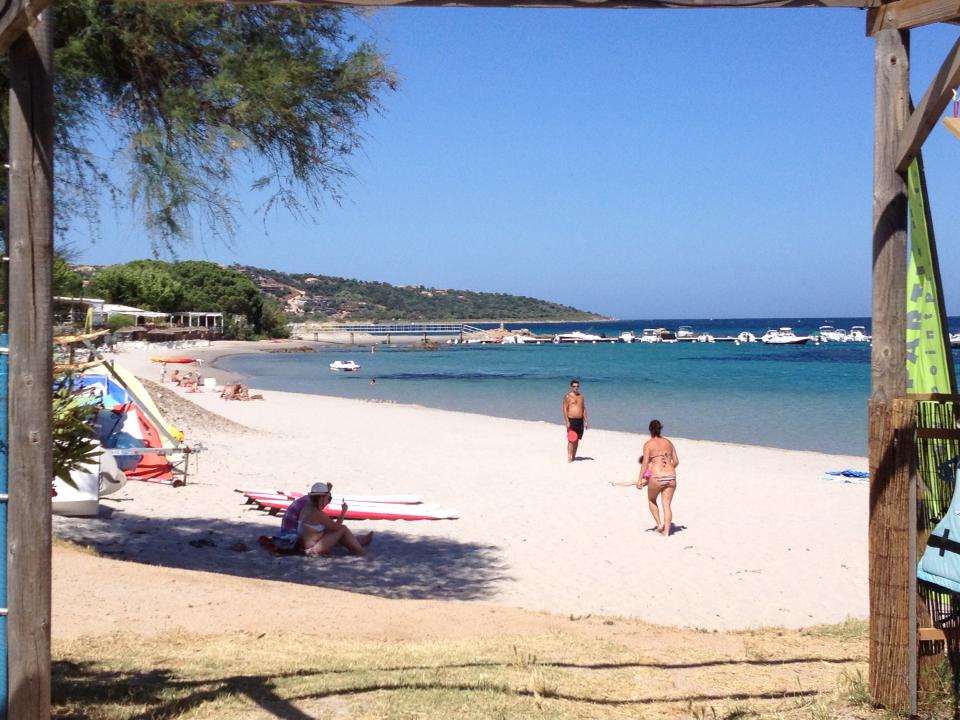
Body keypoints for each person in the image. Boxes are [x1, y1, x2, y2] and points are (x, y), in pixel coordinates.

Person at [296, 482, 373, 557]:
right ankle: (361, 551)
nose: (328, 501)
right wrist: (343, 512)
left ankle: (358, 542)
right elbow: (337, 527)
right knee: (343, 529)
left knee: (334, 532)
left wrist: (327, 490)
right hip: (313, 550)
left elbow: (320, 500)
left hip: (307, 546)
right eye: (328, 498)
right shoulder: (317, 514)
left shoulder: (308, 506)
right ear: (321, 498)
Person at [638, 419, 679, 537]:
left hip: (657, 476)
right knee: (666, 505)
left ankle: (659, 524)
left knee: (651, 499)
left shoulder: (648, 444)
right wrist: (669, 468)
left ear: (650, 430)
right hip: (671, 476)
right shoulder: (669, 442)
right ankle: (666, 532)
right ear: (660, 428)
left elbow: (645, 463)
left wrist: (640, 479)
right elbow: (676, 461)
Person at [562, 379, 588, 462]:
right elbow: (565, 409)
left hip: (580, 421)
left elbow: (583, 409)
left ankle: (573, 456)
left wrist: (586, 421)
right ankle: (569, 457)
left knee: (577, 440)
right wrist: (567, 421)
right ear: (571, 387)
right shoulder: (567, 396)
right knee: (571, 439)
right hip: (571, 420)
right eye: (574, 386)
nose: (576, 388)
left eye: (577, 386)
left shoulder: (581, 396)